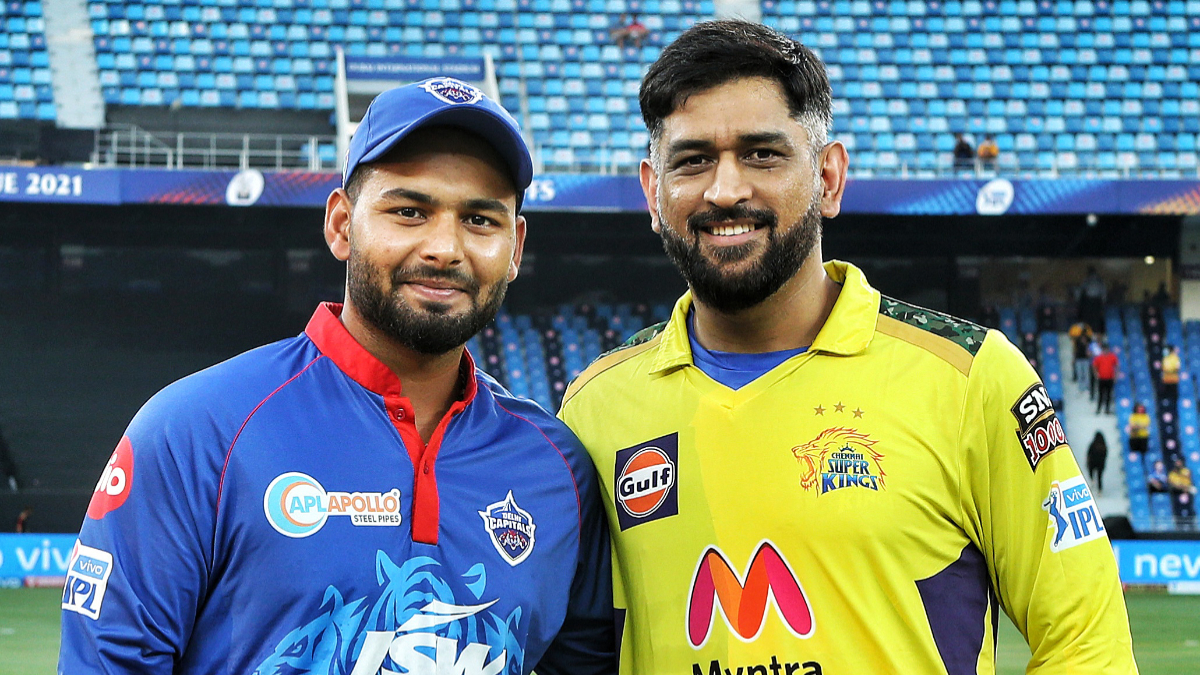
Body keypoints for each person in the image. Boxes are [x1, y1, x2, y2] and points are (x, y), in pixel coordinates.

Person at [558, 20, 1137, 674]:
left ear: (830, 176)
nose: (725, 190)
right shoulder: (593, 409)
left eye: (762, 154)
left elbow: (1087, 645)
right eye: (692, 160)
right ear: (652, 193)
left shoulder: (972, 377)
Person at [60, 79, 616, 675]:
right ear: (341, 224)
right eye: (409, 211)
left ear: (515, 248)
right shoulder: (197, 430)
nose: (445, 248)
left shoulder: (559, 467)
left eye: (480, 220)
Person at [1168, 457, 1196, 526]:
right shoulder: (1172, 473)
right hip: (1177, 493)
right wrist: (1181, 487)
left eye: (1179, 462)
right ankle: (1178, 524)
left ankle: (1191, 523)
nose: (1178, 463)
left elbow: (1190, 482)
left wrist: (1185, 487)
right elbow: (1172, 484)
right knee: (1177, 507)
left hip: (1187, 492)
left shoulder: (1187, 471)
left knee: (1190, 506)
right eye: (1177, 462)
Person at [1093, 341, 1118, 414]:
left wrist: (1115, 376)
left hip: (1110, 378)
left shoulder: (1112, 356)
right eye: (1104, 349)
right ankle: (1098, 409)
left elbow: (1117, 366)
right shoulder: (1099, 357)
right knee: (1101, 394)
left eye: (1106, 349)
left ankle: (1107, 409)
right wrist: (1096, 374)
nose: (1105, 350)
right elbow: (1094, 366)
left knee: (1108, 395)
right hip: (1102, 378)